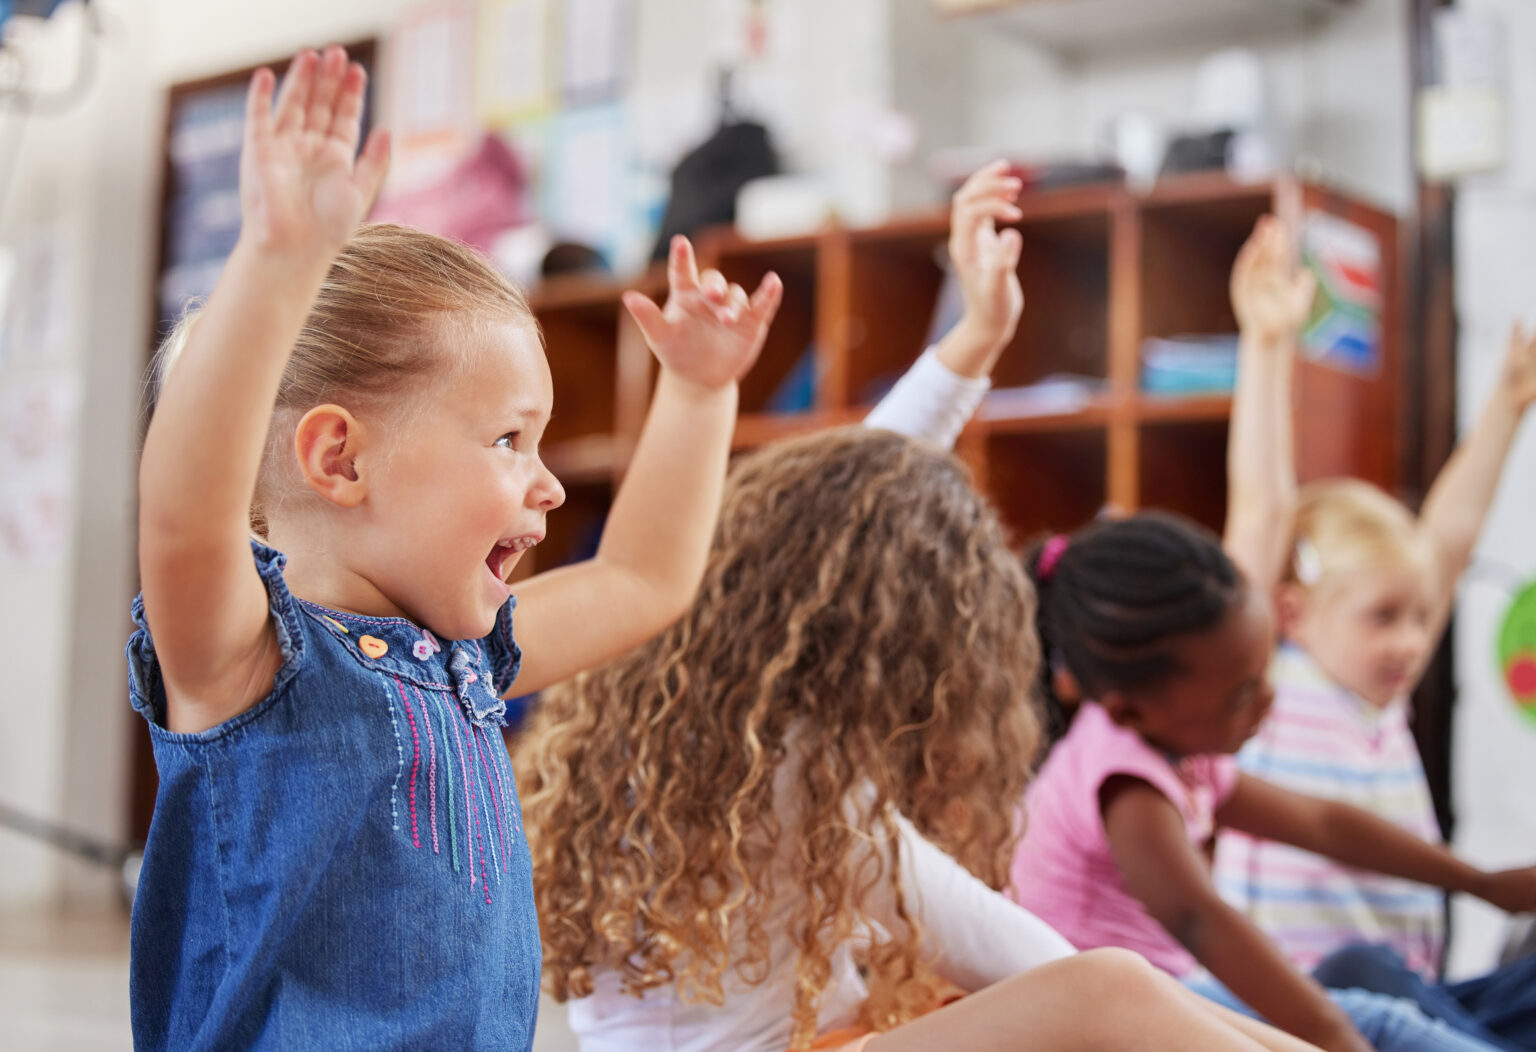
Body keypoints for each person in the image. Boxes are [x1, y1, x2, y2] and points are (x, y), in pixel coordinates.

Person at [516, 166, 1315, 1052]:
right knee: (1105, 990)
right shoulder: (796, 782)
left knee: (1094, 994)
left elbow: (846, 507)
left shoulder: (685, 693)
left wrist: (979, 336)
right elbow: (1035, 963)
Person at [129, 45, 781, 1051]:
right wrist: (275, 265)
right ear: (339, 457)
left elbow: (644, 577)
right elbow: (182, 512)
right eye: (508, 439)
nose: (550, 483)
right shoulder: (246, 661)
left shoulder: (470, 657)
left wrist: (697, 394)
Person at [1010, 510, 1536, 1052]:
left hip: (1165, 998)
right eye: (1240, 694)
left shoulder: (1173, 745)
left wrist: (1482, 883)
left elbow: (1322, 824)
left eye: (1264, 673)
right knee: (1374, 1022)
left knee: (1363, 969)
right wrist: (1334, 1036)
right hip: (1112, 1025)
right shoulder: (1125, 783)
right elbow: (1199, 921)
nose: (1267, 700)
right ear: (1130, 712)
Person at [1213, 214, 1536, 1048]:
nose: (1408, 642)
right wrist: (1268, 343)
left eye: (1420, 618)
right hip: (1312, 1007)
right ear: (1290, 613)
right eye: (1384, 617)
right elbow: (1259, 509)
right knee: (1364, 968)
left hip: (1423, 1005)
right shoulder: (1266, 687)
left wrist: (1506, 405)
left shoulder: (1377, 695)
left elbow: (1450, 541)